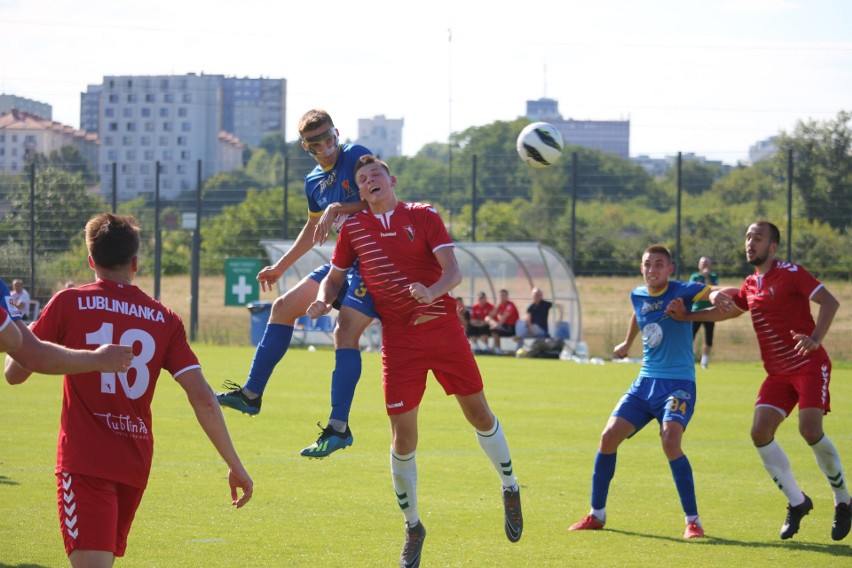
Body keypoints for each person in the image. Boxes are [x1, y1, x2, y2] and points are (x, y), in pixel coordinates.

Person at [307, 155, 522, 567]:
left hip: (443, 331)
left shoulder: (423, 216)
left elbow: (453, 272)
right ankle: (413, 526)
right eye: (363, 178)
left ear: (392, 181)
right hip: (400, 341)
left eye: (376, 175)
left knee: (478, 414)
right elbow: (335, 277)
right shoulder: (353, 228)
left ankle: (510, 486)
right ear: (360, 191)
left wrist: (432, 289)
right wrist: (321, 300)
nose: (370, 181)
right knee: (403, 439)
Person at [5, 213, 253, 566]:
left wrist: (19, 326)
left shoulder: (67, 302)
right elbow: (203, 398)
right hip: (134, 464)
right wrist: (235, 464)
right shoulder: (165, 319)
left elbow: (15, 373)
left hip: (86, 464)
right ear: (136, 263)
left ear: (91, 260)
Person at [666, 220, 850, 542]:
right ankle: (798, 501)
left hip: (808, 365)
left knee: (809, 430)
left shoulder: (791, 273)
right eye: (748, 237)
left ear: (773, 246)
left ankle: (843, 500)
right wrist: (687, 317)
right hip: (777, 374)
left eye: (758, 238)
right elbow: (725, 313)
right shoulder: (751, 284)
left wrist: (816, 338)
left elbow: (830, 302)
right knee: (759, 431)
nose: (750, 242)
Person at [216, 109, 379, 459]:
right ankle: (252, 394)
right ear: (305, 147)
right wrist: (279, 267)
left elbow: (379, 199)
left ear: (338, 133)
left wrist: (338, 207)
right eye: (315, 145)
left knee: (344, 334)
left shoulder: (355, 156)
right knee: (282, 308)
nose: (325, 149)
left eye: (329, 140)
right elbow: (312, 229)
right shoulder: (312, 182)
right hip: (345, 263)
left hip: (378, 262)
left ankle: (338, 427)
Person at [569, 244, 710, 540]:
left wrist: (718, 296)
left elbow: (714, 292)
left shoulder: (682, 290)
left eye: (659, 264)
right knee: (608, 437)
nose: (652, 269)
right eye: (648, 264)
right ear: (641, 267)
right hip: (645, 383)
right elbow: (638, 313)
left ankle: (693, 521)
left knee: (670, 440)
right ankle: (597, 514)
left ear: (670, 269)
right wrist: (625, 342)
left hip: (678, 383)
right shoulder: (638, 294)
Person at [689, 257, 719, 369]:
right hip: (696, 312)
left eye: (707, 263)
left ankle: (704, 362)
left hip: (710, 312)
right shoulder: (694, 277)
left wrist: (706, 277)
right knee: (690, 337)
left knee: (708, 338)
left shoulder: (714, 277)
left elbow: (712, 289)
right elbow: (692, 291)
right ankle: (688, 359)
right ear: (699, 265)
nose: (705, 265)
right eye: (703, 263)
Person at [487, 289, 520, 355]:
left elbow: (503, 319)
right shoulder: (499, 305)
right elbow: (489, 317)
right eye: (501, 296)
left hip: (512, 328)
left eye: (504, 295)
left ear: (507, 296)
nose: (502, 297)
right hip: (504, 326)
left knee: (494, 329)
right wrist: (490, 321)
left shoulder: (510, 305)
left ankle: (496, 350)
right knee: (492, 329)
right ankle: (497, 350)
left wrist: (495, 325)